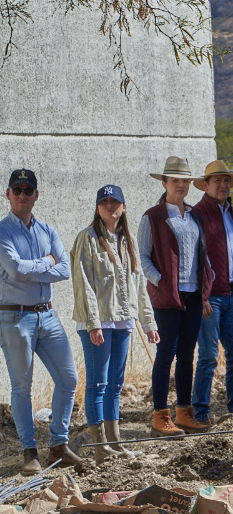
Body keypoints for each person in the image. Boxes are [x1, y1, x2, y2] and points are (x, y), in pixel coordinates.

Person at [0, 168, 81, 475]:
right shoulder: (3, 231)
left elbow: (64, 270)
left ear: (36, 195)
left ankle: (58, 444)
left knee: (69, 378)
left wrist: (36, 267)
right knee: (22, 387)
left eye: (27, 190)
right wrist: (47, 262)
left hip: (46, 314)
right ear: (8, 194)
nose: (22, 195)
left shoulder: (47, 230)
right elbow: (16, 268)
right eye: (16, 190)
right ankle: (29, 452)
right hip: (13, 316)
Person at [71, 184, 159, 462]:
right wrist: (93, 322)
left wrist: (148, 323)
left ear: (124, 207)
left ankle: (115, 442)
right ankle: (99, 447)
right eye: (104, 202)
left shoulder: (127, 240)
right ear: (97, 207)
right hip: (98, 323)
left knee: (116, 384)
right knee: (98, 383)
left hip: (123, 322)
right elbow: (83, 284)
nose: (110, 206)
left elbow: (139, 287)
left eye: (115, 202)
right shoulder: (87, 239)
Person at [137, 156, 212, 437]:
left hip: (193, 295)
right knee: (166, 353)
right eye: (175, 181)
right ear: (165, 183)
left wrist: (205, 289)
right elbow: (143, 258)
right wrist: (161, 282)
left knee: (187, 355)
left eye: (185, 181)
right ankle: (159, 416)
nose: (181, 185)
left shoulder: (194, 215)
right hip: (168, 297)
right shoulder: (153, 217)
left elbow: (203, 257)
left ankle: (184, 413)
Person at [189, 159, 233, 428]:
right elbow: (192, 260)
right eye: (217, 181)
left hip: (231, 295)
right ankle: (201, 411)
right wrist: (201, 296)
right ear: (205, 186)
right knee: (208, 355)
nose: (223, 185)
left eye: (226, 180)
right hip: (210, 297)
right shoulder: (196, 214)